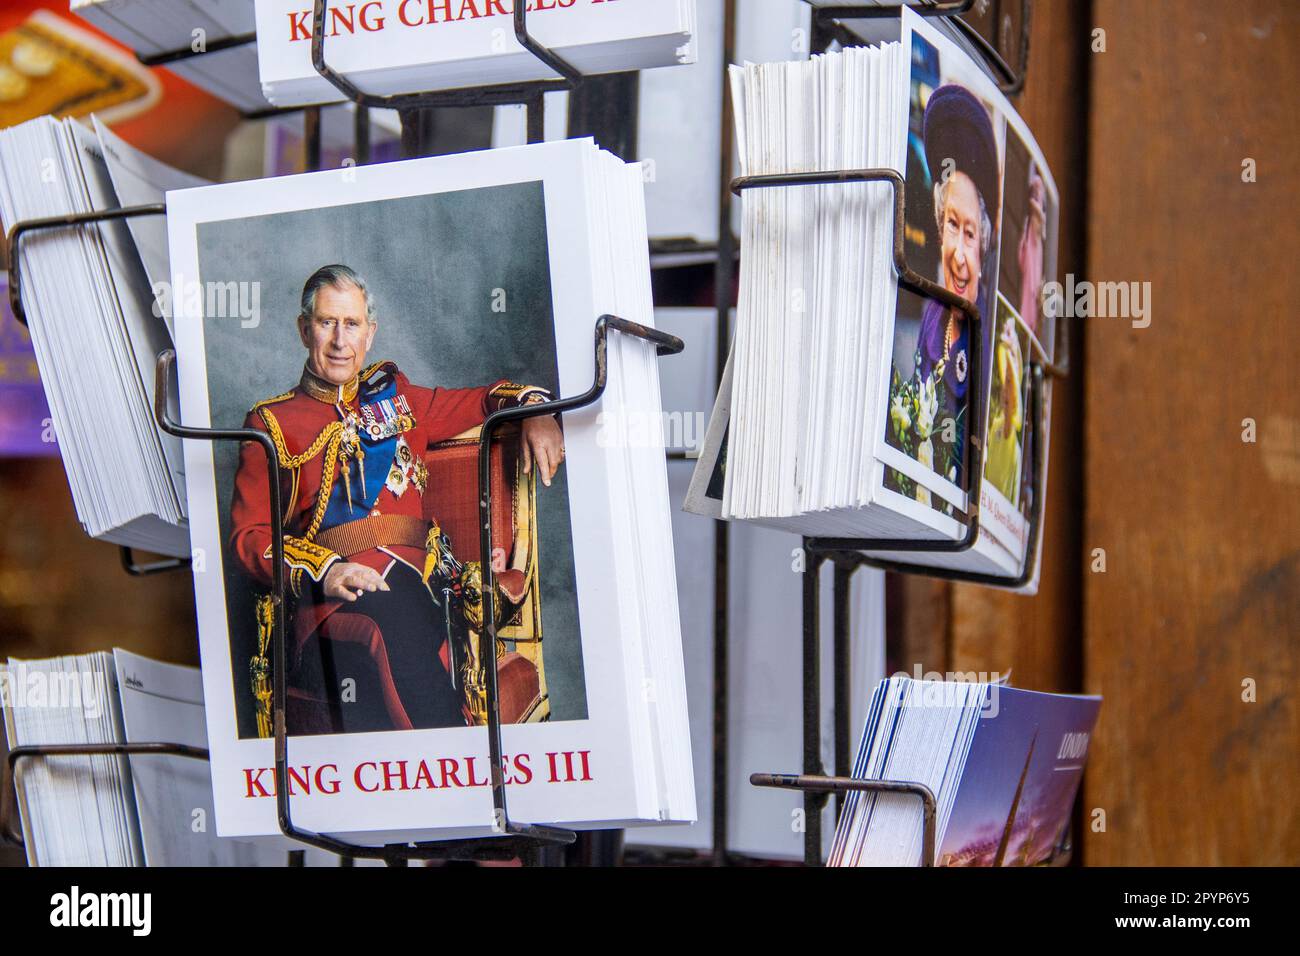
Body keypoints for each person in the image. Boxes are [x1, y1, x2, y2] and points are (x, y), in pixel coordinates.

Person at [229, 264, 564, 735]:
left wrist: (535, 408)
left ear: (370, 332)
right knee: (398, 615)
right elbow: (250, 538)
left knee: (415, 605)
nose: (340, 341)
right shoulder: (271, 424)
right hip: (334, 602)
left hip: (427, 582)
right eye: (327, 323)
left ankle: (447, 773)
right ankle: (452, 767)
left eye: (352, 324)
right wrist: (326, 571)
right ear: (305, 329)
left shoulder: (400, 400)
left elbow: (485, 400)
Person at [914, 83, 1001, 488]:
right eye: (952, 225)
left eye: (970, 233)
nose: (960, 255)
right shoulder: (932, 311)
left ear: (983, 247)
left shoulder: (991, 341)